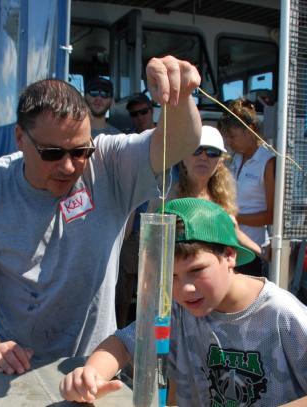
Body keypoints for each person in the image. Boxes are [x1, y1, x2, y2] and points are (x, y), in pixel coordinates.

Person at [0, 56, 202, 375]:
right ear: (19, 138)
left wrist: (180, 96)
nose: (69, 167)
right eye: (53, 153)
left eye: (81, 151)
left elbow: (179, 142)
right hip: (15, 364)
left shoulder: (108, 163)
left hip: (93, 366)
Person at [59, 198, 307, 407]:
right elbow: (123, 343)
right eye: (171, 276)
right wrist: (90, 374)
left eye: (197, 270)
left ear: (229, 255)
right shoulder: (175, 309)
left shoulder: (282, 314)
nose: (185, 288)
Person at [148, 125, 261, 258]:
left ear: (220, 161)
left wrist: (263, 252)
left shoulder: (223, 199)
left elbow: (234, 232)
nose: (203, 157)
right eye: (196, 150)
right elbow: (150, 243)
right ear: (183, 158)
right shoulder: (164, 197)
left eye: (212, 152)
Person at [218, 99, 276, 277]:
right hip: (227, 244)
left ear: (250, 129)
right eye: (226, 137)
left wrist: (235, 218)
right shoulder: (234, 159)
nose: (228, 142)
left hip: (252, 251)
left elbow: (272, 215)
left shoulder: (268, 162)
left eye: (232, 136)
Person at [115, 93, 156, 328]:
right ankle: (120, 334)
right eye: (134, 114)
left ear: (152, 111)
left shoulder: (168, 140)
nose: (140, 117)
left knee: (153, 293)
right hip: (132, 228)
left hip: (159, 227)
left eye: (144, 112)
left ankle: (150, 340)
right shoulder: (126, 144)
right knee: (124, 290)